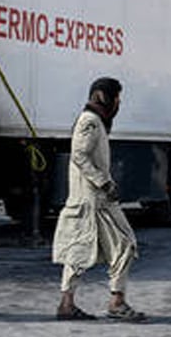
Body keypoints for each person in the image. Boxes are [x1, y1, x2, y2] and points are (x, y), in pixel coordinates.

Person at [51, 77, 144, 322]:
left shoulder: (95, 122)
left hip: (98, 201)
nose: (119, 102)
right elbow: (79, 156)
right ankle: (110, 303)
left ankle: (85, 303)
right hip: (91, 201)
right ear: (104, 97)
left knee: (109, 248)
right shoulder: (90, 122)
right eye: (117, 97)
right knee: (107, 248)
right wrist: (103, 181)